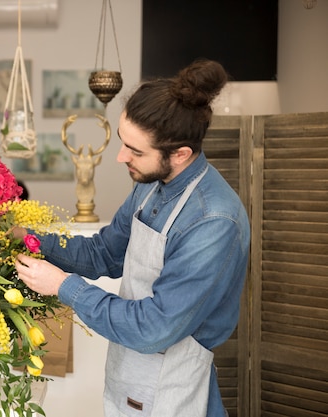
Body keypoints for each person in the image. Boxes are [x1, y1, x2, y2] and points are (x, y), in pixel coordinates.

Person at [14, 59, 250, 417]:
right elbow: (102, 253)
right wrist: (25, 238)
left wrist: (63, 286)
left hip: (174, 382)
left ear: (180, 154)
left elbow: (153, 328)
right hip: (130, 370)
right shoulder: (153, 185)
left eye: (135, 151)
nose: (121, 157)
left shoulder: (213, 221)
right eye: (124, 143)